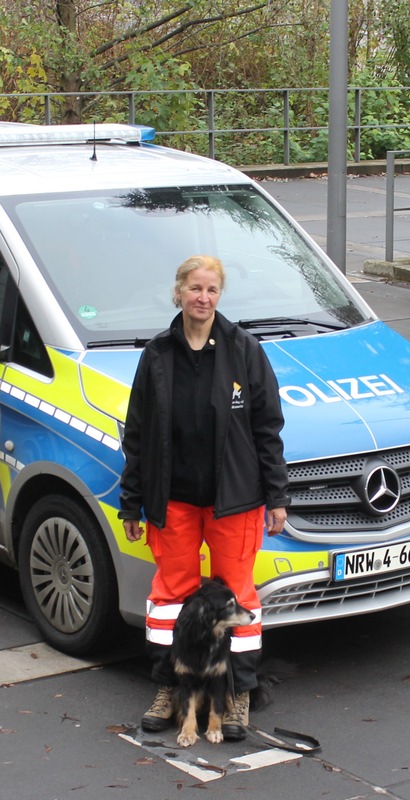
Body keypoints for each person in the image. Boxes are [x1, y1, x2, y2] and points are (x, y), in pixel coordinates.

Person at [119, 254, 289, 741]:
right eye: (194, 288)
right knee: (169, 598)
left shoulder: (244, 352)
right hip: (171, 499)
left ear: (220, 295)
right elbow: (138, 434)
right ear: (178, 292)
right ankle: (168, 687)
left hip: (234, 499)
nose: (203, 298)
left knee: (239, 596)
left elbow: (267, 429)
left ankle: (238, 694)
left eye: (211, 290)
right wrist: (132, 501)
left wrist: (276, 496)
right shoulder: (156, 356)